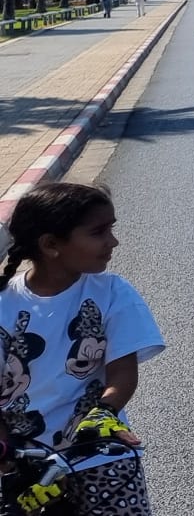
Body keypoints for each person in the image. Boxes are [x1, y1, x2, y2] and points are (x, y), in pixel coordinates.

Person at [0, 182, 167, 516]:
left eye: (111, 229)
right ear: (51, 245)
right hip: (25, 459)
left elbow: (122, 372)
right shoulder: (4, 306)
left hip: (99, 450)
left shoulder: (112, 292)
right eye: (99, 232)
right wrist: (5, 456)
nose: (113, 242)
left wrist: (105, 412)